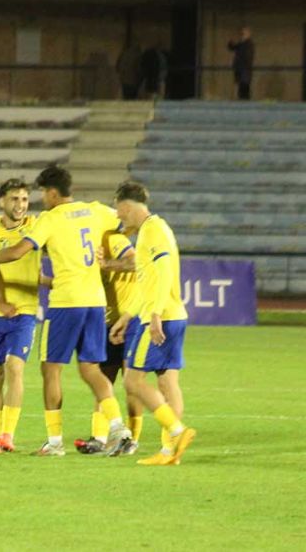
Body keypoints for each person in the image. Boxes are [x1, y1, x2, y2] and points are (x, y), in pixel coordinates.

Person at [0, 166, 131, 457]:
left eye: (41, 193)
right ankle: (118, 428)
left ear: (52, 192)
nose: (40, 199)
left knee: (50, 369)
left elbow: (17, 251)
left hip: (66, 301)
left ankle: (54, 442)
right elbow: (125, 223)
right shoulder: (96, 211)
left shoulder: (50, 219)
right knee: (91, 368)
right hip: (95, 301)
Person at [109, 181, 197, 466]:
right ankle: (170, 451)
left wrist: (155, 314)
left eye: (118, 210)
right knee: (168, 381)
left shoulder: (152, 231)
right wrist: (126, 317)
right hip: (173, 315)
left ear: (126, 205)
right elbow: (148, 283)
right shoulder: (157, 228)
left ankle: (176, 430)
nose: (118, 216)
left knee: (133, 381)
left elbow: (163, 273)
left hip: (160, 318)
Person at [0, 179, 40, 454]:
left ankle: (7, 434)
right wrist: (0, 302)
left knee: (15, 367)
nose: (20, 205)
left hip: (24, 310)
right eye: (14, 199)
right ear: (1, 201)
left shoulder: (36, 226)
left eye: (24, 199)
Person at [74, 230, 143, 455]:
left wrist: (108, 265)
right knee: (103, 379)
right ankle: (99, 437)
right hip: (105, 321)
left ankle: (132, 438)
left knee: (131, 382)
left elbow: (136, 262)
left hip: (131, 319)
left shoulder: (113, 239)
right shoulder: (81, 248)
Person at [228, 26, 255, 100]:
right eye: (242, 33)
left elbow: (248, 56)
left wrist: (245, 65)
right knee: (238, 84)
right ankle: (239, 99)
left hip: (245, 68)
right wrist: (231, 41)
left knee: (244, 84)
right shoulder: (241, 43)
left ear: (249, 34)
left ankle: (245, 100)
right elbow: (232, 47)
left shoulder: (249, 43)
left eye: (245, 33)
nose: (243, 34)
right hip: (238, 67)